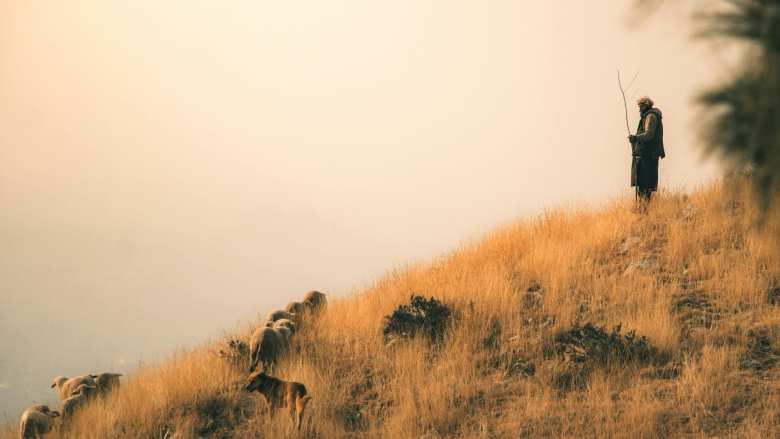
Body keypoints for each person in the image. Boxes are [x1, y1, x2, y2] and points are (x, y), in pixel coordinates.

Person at [628, 96, 665, 205]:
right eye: (639, 106)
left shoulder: (650, 116)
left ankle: (644, 210)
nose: (639, 109)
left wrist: (636, 138)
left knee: (645, 186)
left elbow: (649, 134)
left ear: (647, 105)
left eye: (641, 106)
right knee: (644, 187)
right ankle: (643, 210)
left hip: (648, 156)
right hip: (646, 155)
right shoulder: (649, 116)